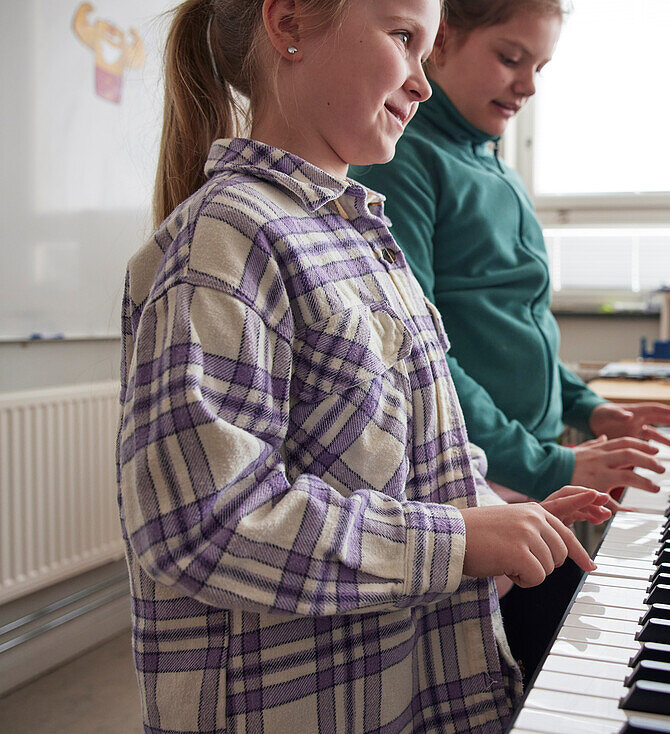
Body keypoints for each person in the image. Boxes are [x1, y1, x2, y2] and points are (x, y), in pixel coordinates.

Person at [116, 1, 614, 732]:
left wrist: (497, 512)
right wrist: (460, 542)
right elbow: (205, 525)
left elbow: (408, 445)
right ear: (287, 25)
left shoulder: (359, 239)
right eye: (404, 39)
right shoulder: (228, 242)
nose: (420, 81)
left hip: (401, 690)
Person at [350, 0, 670, 683]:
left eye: (539, 66)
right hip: (481, 481)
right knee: (543, 673)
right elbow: (423, 356)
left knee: (574, 655)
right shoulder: (406, 159)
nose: (528, 84)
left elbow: (525, 324)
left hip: (531, 470)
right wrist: (548, 467)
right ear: (439, 45)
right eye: (510, 58)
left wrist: (589, 409)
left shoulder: (497, 167)